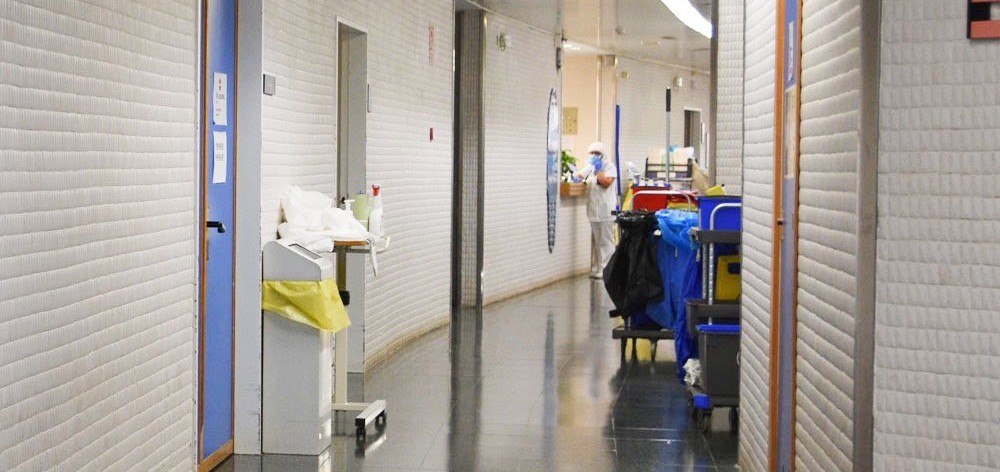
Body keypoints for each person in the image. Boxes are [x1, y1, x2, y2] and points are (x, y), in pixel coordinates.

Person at [577, 141, 618, 279]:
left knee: (606, 241)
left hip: (606, 211)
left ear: (603, 154)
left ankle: (607, 270)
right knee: (597, 241)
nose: (594, 155)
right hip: (593, 211)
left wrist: (599, 169)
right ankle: (598, 267)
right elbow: (579, 177)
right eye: (592, 153)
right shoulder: (589, 168)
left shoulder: (610, 167)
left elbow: (606, 183)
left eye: (597, 153)